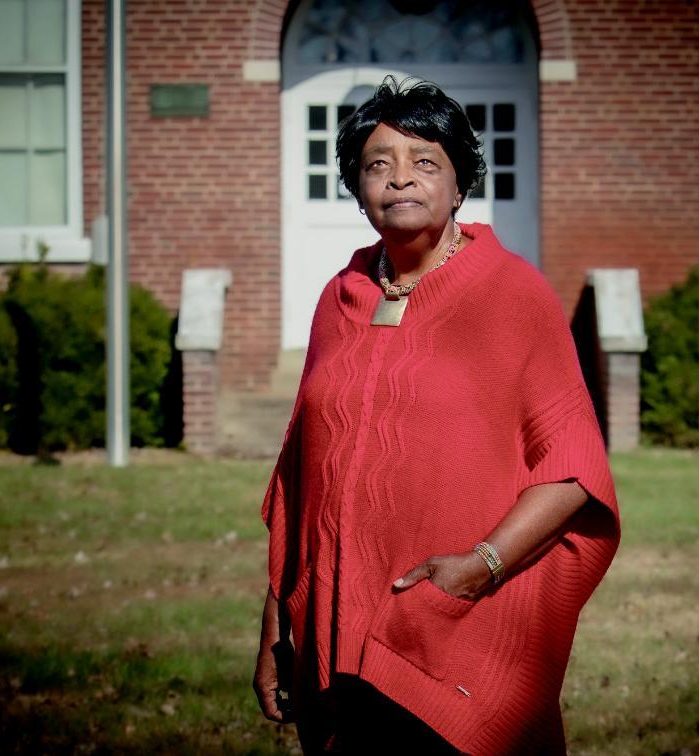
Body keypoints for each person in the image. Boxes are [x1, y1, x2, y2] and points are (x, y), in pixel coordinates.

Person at [253, 76, 620, 754]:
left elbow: (572, 470)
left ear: (459, 187)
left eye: (425, 162)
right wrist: (279, 632)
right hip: (337, 637)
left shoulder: (513, 294)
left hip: (459, 622)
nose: (399, 179)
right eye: (377, 164)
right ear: (357, 189)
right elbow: (302, 487)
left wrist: (479, 567)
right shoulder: (341, 298)